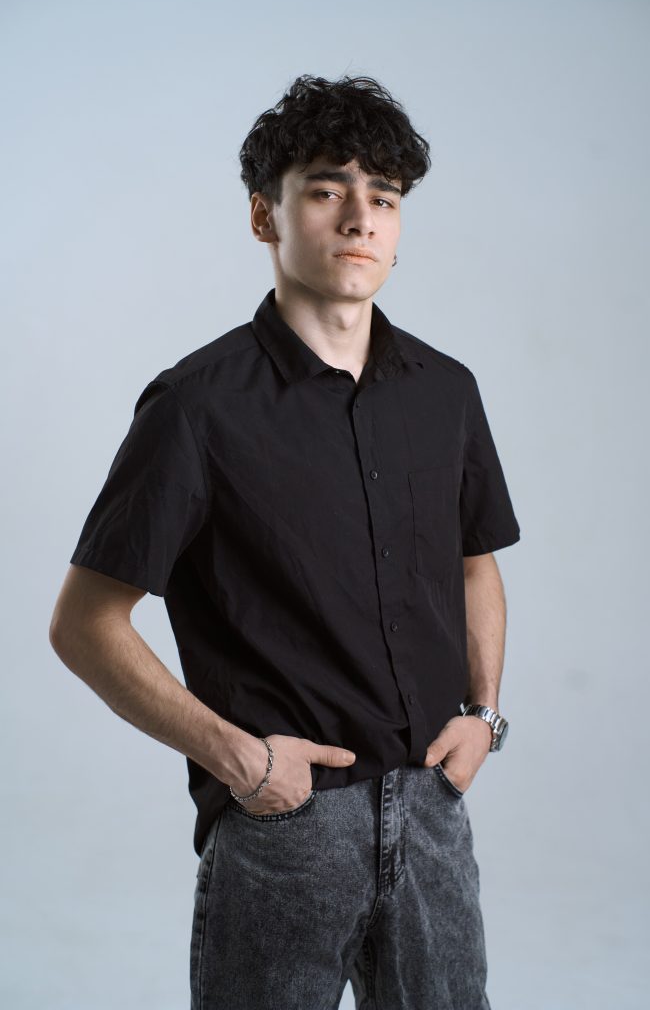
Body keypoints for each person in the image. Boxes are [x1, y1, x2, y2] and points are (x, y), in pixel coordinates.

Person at [49, 73, 520, 1010]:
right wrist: (242, 762)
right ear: (264, 215)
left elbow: (476, 566)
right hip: (288, 829)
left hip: (433, 810)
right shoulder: (195, 406)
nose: (360, 218)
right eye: (326, 189)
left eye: (383, 197)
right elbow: (84, 624)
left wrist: (483, 718)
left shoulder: (447, 391)